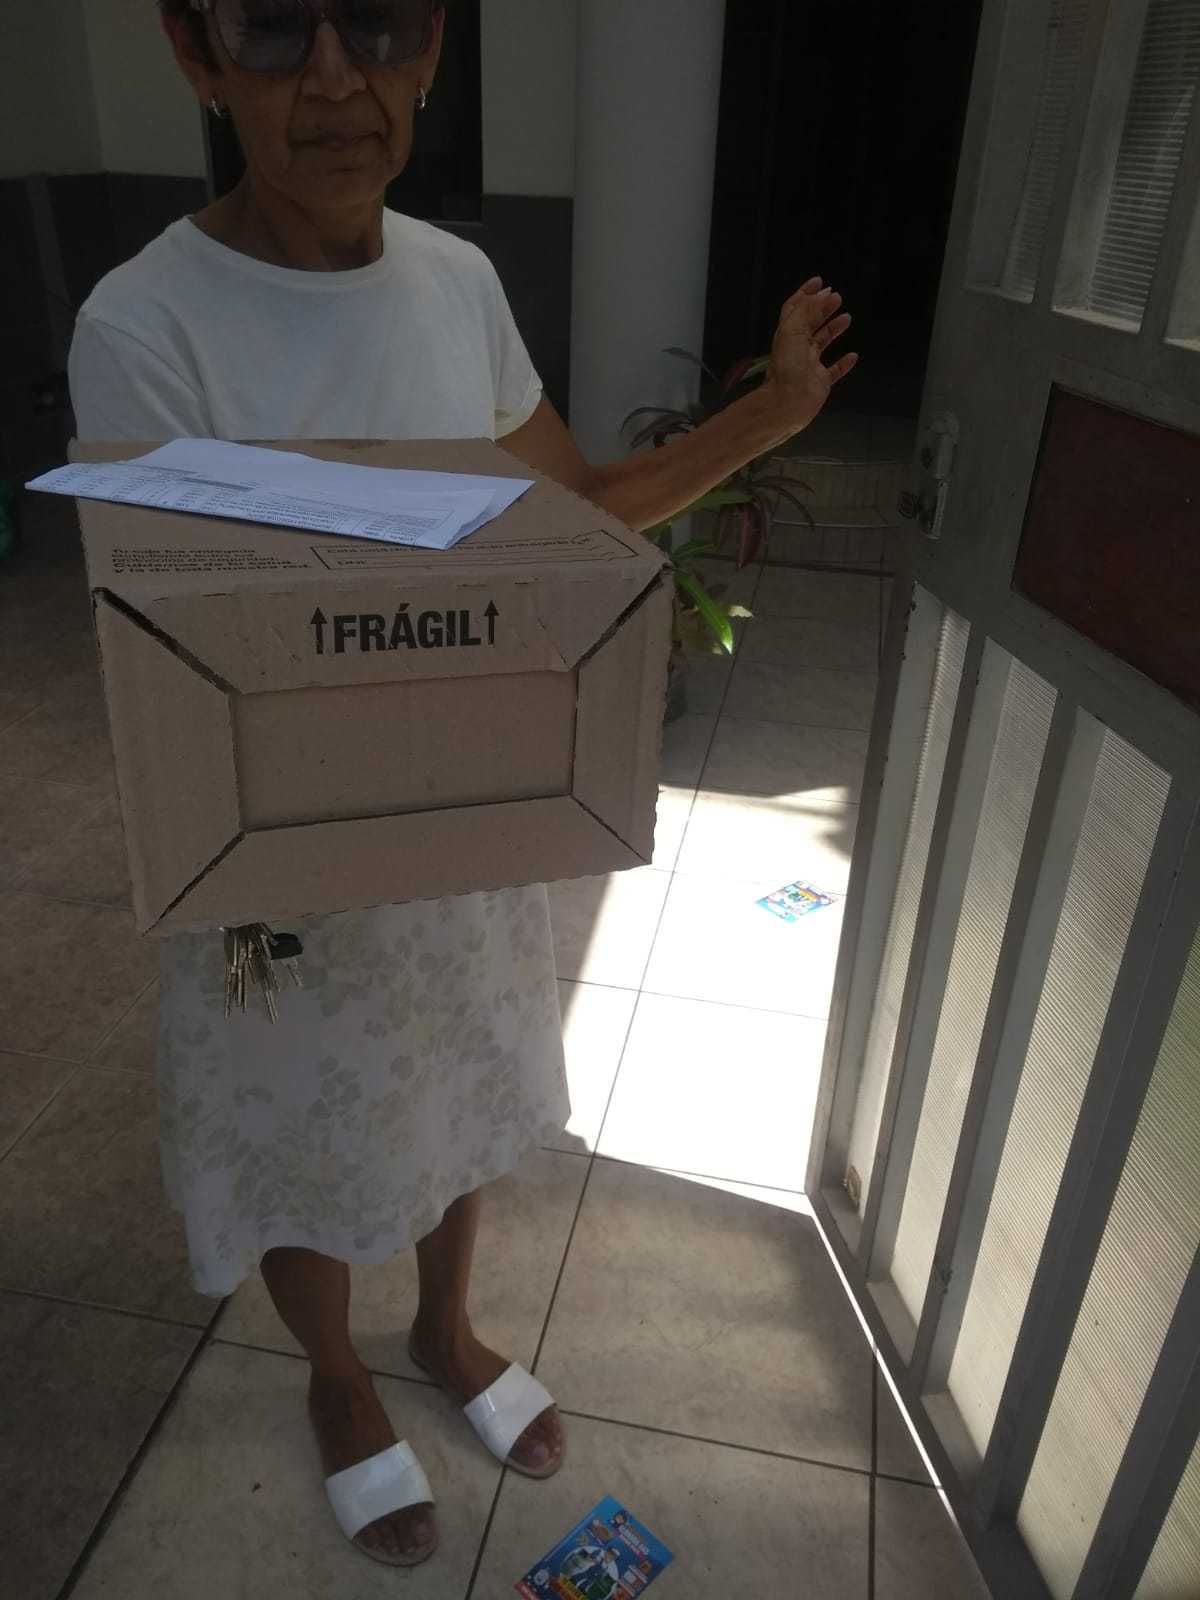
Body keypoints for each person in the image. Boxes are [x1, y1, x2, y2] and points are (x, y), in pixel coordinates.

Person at [67, 0, 857, 1572]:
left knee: (459, 1076)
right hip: (280, 840)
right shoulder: (145, 325)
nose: (335, 77)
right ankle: (338, 1373)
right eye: (274, 28)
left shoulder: (458, 283)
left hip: (463, 816)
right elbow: (198, 642)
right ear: (196, 53)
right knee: (300, 1121)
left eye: (377, 22)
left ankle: (441, 1324)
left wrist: (771, 414)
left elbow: (574, 517)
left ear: (431, 51)